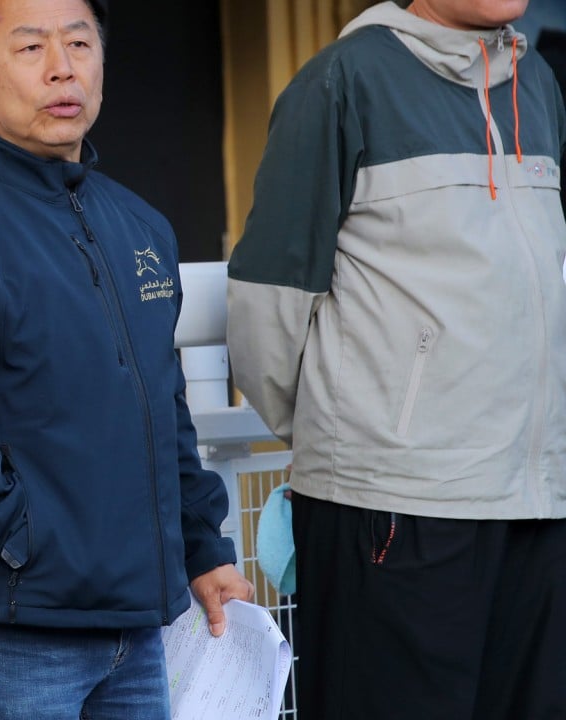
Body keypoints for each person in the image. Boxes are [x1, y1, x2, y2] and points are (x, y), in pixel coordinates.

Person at [0, 0, 253, 717]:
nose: (62, 67)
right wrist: (25, 537)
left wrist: (204, 546)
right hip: (16, 626)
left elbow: (161, 402)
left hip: (139, 627)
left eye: (79, 42)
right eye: (30, 48)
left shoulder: (139, 225)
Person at [227, 0, 566, 717]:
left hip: (534, 499)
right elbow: (268, 306)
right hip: (395, 506)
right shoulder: (344, 80)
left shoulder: (535, 84)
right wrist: (364, 433)